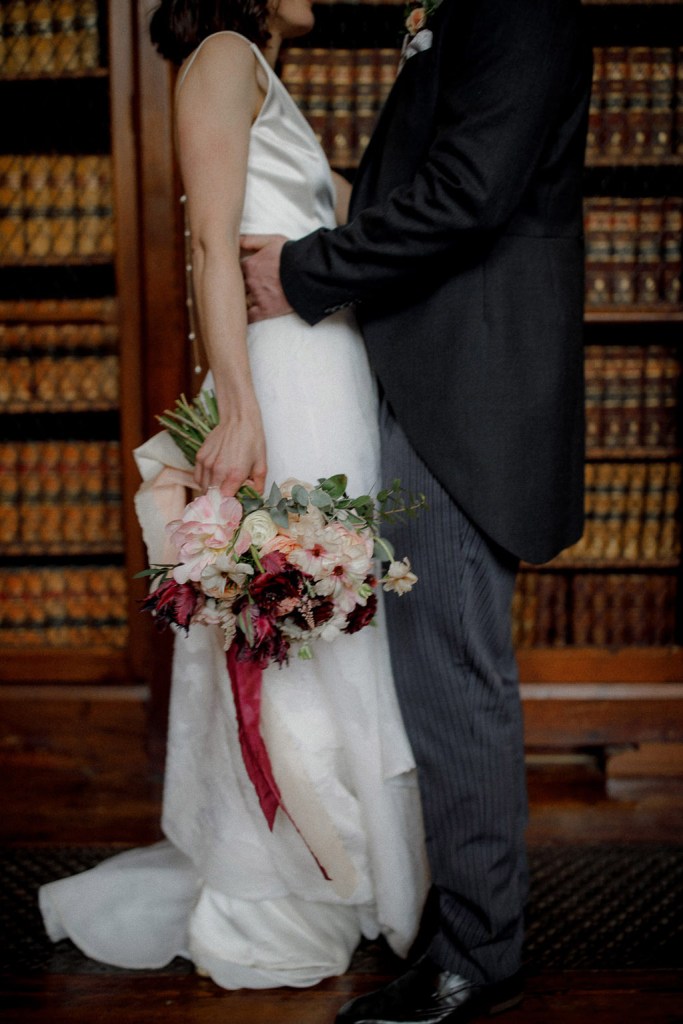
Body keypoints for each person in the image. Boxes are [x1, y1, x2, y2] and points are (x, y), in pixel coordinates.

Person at [38, 0, 429, 989]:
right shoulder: (219, 54)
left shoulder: (257, 65)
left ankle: (351, 873)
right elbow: (213, 245)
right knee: (294, 633)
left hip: (324, 373)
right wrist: (241, 412)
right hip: (282, 380)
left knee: (337, 623)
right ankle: (293, 881)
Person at [241, 0, 592, 1019]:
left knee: (451, 674)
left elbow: (466, 194)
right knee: (437, 675)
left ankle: (475, 958)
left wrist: (304, 271)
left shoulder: (517, 9)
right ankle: (466, 923)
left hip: (464, 390)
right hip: (438, 376)